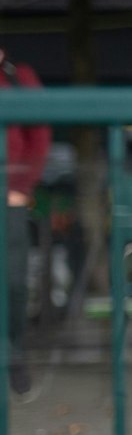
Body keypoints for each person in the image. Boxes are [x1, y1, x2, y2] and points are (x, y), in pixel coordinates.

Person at [0, 49, 50, 397]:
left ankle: (14, 354)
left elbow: (39, 136)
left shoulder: (20, 78)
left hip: (9, 198)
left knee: (14, 283)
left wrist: (21, 188)